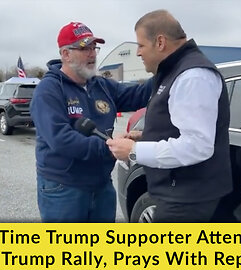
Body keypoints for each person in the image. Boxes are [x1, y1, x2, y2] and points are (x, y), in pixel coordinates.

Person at [107, 10, 233, 222]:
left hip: (187, 200)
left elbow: (197, 146)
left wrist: (135, 151)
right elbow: (179, 125)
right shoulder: (174, 71)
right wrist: (147, 135)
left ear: (160, 42)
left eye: (141, 45)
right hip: (180, 192)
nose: (138, 53)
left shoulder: (192, 76)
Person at [30, 22, 153, 222]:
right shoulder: (49, 90)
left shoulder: (101, 86)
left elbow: (139, 95)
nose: (92, 54)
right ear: (65, 54)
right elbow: (61, 140)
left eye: (94, 47)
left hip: (101, 185)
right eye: (84, 48)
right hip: (63, 188)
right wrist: (110, 147)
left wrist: (167, 67)